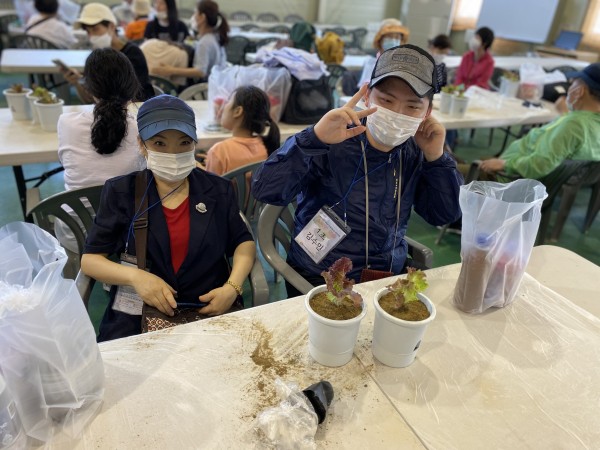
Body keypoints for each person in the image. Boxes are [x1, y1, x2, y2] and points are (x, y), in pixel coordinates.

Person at [252, 44, 463, 295]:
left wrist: (436, 158)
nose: (397, 113)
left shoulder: (417, 148)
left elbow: (443, 215)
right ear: (366, 96)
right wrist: (313, 139)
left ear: (427, 112)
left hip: (384, 277)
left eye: (412, 106)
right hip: (318, 276)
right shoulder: (332, 136)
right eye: (386, 100)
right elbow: (265, 189)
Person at [81, 94, 256, 341]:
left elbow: (243, 242)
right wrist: (136, 277)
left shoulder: (218, 190)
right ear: (142, 145)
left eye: (184, 143)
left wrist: (233, 288)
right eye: (160, 144)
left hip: (207, 307)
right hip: (137, 310)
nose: (173, 153)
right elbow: (90, 260)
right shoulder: (121, 192)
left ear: (195, 143)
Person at [56, 48, 146, 255]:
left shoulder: (66, 122)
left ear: (89, 87)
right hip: (129, 234)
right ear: (132, 85)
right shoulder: (143, 125)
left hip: (77, 234)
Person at [477, 62, 600, 180]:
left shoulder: (573, 125)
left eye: (572, 83)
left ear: (579, 91)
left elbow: (541, 164)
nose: (570, 87)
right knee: (477, 160)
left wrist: (505, 164)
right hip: (520, 175)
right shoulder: (588, 123)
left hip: (507, 180)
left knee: (458, 168)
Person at [62, 3, 154, 102]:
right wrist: (77, 82)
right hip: (110, 113)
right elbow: (89, 100)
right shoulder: (96, 58)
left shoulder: (132, 53)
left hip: (138, 112)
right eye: (88, 32)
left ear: (111, 26)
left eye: (95, 29)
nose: (92, 36)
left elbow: (136, 97)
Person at [205, 86, 280, 175]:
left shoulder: (219, 151)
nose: (224, 106)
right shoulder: (266, 144)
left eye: (228, 101)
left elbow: (210, 186)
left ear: (237, 111)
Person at [150, 0, 227, 83]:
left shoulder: (204, 42)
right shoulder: (214, 37)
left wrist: (170, 70)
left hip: (202, 87)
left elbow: (200, 71)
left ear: (202, 17)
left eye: (195, 13)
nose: (193, 17)